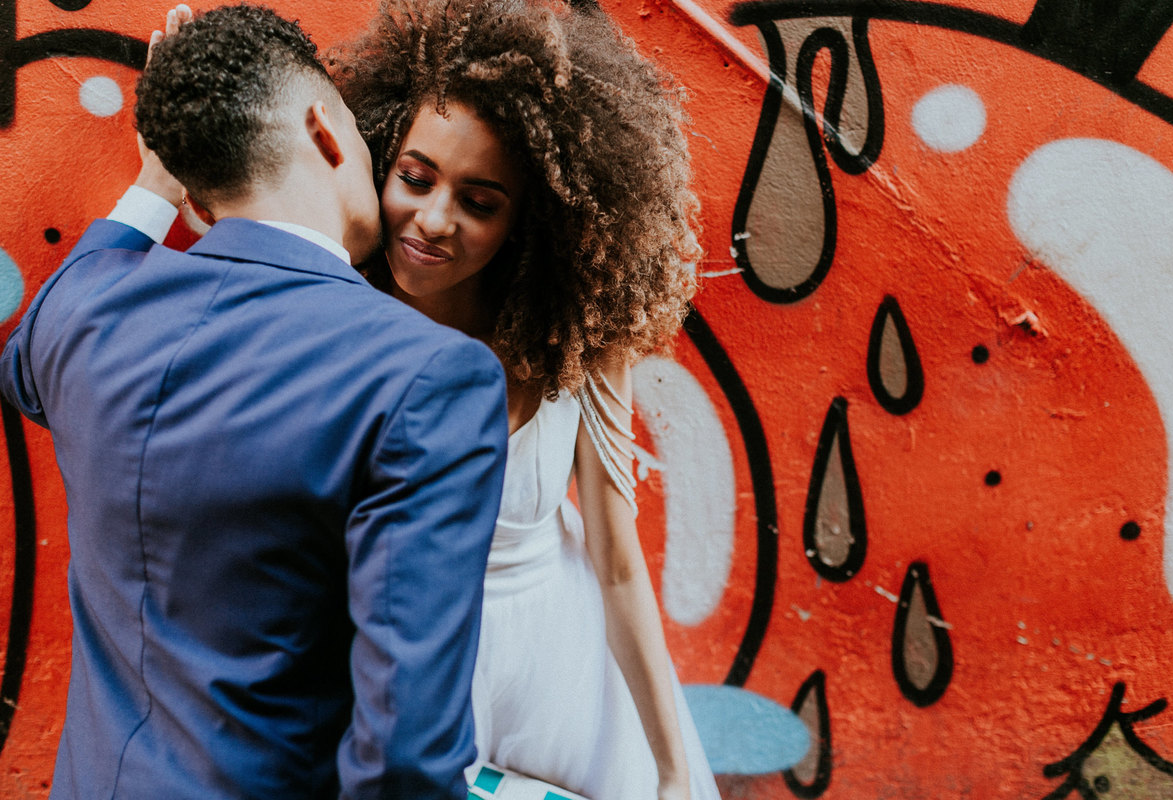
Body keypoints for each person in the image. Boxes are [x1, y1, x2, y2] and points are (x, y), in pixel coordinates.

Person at [0, 5, 508, 799]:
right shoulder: (430, 377)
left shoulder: (83, 316)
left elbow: (28, 360)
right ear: (325, 129)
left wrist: (152, 187)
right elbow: (405, 758)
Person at [328, 1, 719, 798]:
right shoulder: (339, 315)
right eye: (415, 177)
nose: (432, 221)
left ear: (532, 221)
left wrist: (673, 769)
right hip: (398, 679)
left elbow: (616, 566)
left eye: (479, 201)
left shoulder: (574, 339)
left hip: (560, 677)